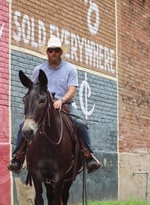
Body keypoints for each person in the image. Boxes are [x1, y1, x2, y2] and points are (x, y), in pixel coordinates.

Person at [8, 37, 100, 174]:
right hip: (44, 105)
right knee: (24, 126)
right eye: (51, 50)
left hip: (65, 103)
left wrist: (61, 100)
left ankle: (88, 155)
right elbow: (34, 89)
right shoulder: (38, 70)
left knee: (80, 123)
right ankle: (18, 157)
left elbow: (72, 90)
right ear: (47, 52)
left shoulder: (70, 69)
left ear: (60, 52)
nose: (53, 53)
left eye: (56, 50)